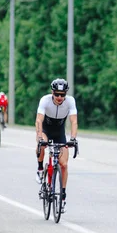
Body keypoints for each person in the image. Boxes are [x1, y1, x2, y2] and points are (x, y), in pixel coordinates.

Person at [35, 78, 78, 213]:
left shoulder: (70, 101)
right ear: (52, 92)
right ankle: (40, 168)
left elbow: (74, 121)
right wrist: (39, 135)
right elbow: (39, 119)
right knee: (42, 144)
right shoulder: (45, 100)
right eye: (57, 94)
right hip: (46, 130)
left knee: (64, 164)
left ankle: (63, 198)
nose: (60, 97)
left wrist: (72, 138)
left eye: (62, 94)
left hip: (59, 132)